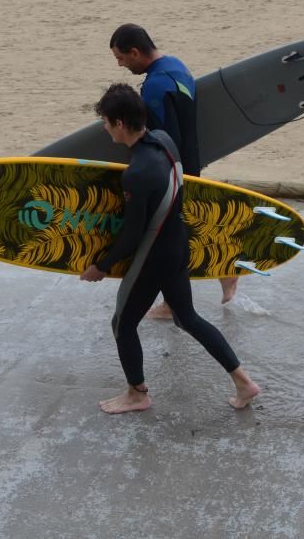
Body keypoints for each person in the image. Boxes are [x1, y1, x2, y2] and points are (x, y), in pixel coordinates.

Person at [80, 83, 260, 414]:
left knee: (122, 323)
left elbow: (133, 235)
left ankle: (137, 394)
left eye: (106, 122)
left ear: (120, 123)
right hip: (179, 245)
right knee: (187, 318)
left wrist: (101, 266)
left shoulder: (137, 174)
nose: (105, 129)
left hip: (155, 257)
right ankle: (244, 382)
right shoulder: (164, 141)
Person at [109, 23, 239, 317]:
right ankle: (223, 272)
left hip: (172, 169)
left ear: (135, 52)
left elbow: (166, 137)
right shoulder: (176, 67)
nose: (120, 64)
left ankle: (177, 299)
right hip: (190, 162)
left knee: (168, 233)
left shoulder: (155, 87)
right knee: (185, 225)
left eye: (121, 58)